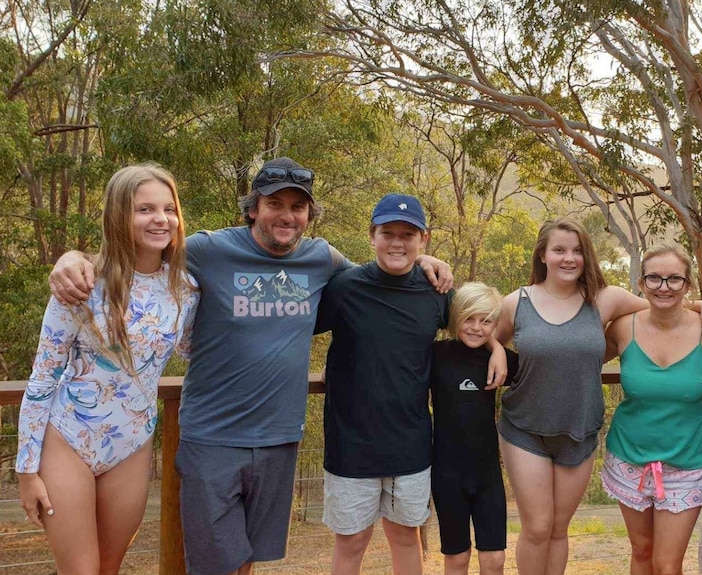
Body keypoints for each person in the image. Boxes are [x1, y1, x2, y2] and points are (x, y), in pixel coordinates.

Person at [46, 158, 459, 575]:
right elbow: (137, 247)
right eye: (274, 203)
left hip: (280, 439)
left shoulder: (321, 259)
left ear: (309, 216)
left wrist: (426, 262)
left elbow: (382, 278)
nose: (286, 215)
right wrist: (73, 258)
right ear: (252, 209)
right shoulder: (208, 249)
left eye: (298, 207)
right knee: (211, 564)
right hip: (213, 437)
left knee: (245, 560)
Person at [494, 216, 702, 575]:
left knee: (559, 529)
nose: (568, 258)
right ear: (542, 255)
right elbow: (482, 335)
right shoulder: (517, 302)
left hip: (581, 431)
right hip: (527, 427)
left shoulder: (606, 300)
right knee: (538, 527)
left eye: (576, 251)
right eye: (559, 250)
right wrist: (495, 347)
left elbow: (663, 301)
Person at [16, 164, 199, 575]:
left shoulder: (184, 289)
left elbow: (194, 351)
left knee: (108, 567)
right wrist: (27, 469)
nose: (161, 219)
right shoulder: (80, 282)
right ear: (119, 214)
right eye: (145, 209)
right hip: (68, 438)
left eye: (169, 209)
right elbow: (43, 377)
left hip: (132, 442)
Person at [315, 194, 507, 575]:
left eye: (408, 234)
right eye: (388, 233)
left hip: (412, 445)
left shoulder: (435, 292)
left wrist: (496, 345)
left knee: (406, 536)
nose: (397, 242)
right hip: (351, 444)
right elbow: (291, 327)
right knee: (352, 542)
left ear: (424, 239)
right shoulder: (344, 288)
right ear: (372, 236)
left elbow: (474, 319)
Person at [599, 243, 702, 575]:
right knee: (642, 552)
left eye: (674, 279)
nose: (664, 287)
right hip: (628, 457)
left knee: (668, 564)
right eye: (654, 278)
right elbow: (577, 356)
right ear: (641, 283)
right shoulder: (621, 327)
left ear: (688, 285)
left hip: (686, 463)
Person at [430, 282, 519, 575]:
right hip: (446, 476)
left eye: (486, 321)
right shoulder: (435, 355)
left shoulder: (501, 360)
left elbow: (545, 369)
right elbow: (390, 361)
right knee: (457, 559)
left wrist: (497, 348)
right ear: (456, 317)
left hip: (487, 476)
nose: (476, 327)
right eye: (469, 318)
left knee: (494, 560)